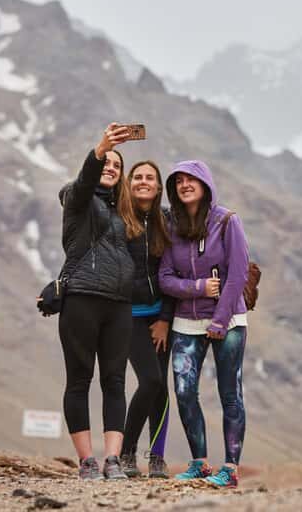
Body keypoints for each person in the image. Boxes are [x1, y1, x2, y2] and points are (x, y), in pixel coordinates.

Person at [159, 160, 249, 489]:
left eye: (190, 179)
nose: (184, 185)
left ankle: (231, 468)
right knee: (184, 391)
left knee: (230, 395)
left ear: (205, 184)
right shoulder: (173, 228)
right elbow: (165, 277)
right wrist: (196, 288)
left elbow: (238, 274)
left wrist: (221, 320)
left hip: (228, 320)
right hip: (187, 319)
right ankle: (199, 463)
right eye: (178, 181)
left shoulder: (227, 221)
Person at [57, 123, 136, 480]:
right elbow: (86, 179)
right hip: (82, 300)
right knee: (79, 380)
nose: (111, 169)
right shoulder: (77, 199)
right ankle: (87, 461)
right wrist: (101, 148)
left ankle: (113, 460)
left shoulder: (125, 214)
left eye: (117, 167)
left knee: (115, 382)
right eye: (107, 164)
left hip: (119, 305)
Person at [119, 160, 174, 478]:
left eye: (149, 178)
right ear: (129, 182)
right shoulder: (117, 217)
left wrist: (165, 318)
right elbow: (69, 194)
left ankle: (157, 458)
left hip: (159, 318)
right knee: (150, 381)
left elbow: (172, 271)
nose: (143, 181)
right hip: (128, 317)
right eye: (137, 177)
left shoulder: (167, 220)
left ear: (157, 187)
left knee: (161, 387)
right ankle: (127, 453)